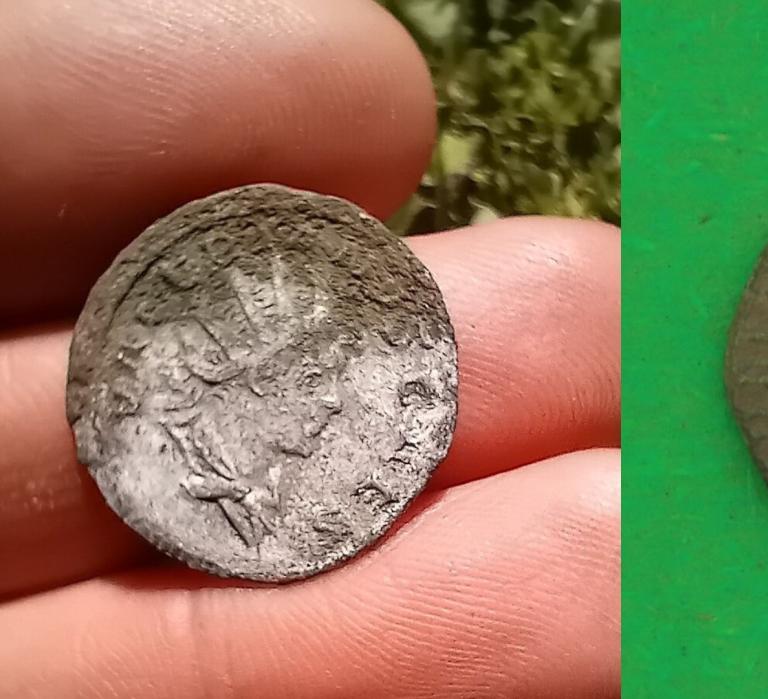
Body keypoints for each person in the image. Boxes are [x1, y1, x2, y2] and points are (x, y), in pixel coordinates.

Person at [0, 1, 620, 696]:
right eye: (314, 379)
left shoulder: (236, 498)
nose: (334, 400)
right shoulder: (203, 486)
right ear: (257, 383)